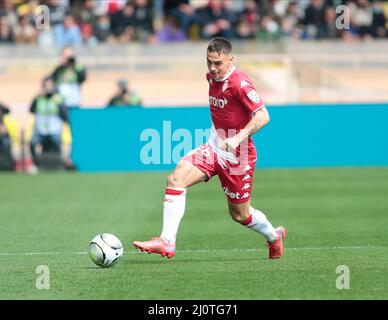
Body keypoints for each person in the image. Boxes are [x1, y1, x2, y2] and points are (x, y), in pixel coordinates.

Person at [133, 37, 286, 260]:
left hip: (238, 156)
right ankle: (167, 241)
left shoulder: (240, 83)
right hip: (214, 147)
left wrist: (237, 138)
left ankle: (274, 236)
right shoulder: (212, 78)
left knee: (240, 215)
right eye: (209, 62)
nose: (213, 68)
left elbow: (263, 116)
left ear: (231, 60)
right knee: (175, 179)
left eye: (218, 63)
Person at [29, 77, 67, 170]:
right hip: (40, 129)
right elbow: (31, 110)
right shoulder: (38, 98)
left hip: (54, 129)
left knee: (57, 144)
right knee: (33, 143)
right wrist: (37, 97)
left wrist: (57, 101)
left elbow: (64, 115)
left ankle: (59, 164)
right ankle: (36, 164)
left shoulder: (58, 98)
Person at [51, 46, 87, 110]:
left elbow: (83, 78)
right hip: (61, 104)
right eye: (65, 56)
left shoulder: (78, 68)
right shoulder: (59, 69)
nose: (68, 59)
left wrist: (73, 66)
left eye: (70, 56)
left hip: (75, 103)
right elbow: (51, 81)